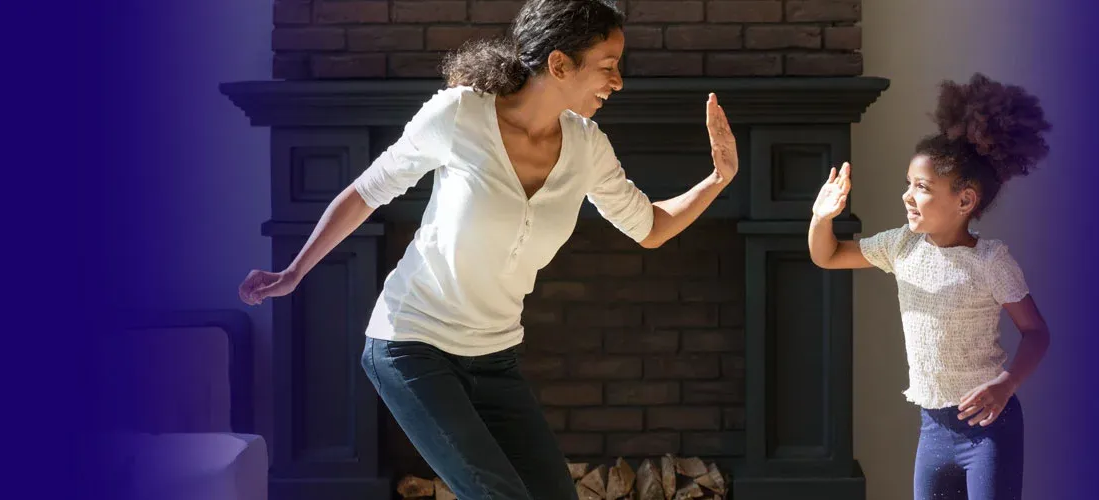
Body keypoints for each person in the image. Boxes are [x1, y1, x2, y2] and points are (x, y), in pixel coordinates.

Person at [237, 1, 738, 498]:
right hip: (412, 346)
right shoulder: (459, 115)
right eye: (608, 67)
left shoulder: (587, 147)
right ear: (559, 64)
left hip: (495, 359)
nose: (618, 81)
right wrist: (294, 272)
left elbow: (648, 226)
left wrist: (719, 178)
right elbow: (368, 191)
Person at [808, 73, 1052, 500]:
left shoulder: (991, 261)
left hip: (990, 431)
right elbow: (827, 255)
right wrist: (820, 217)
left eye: (921, 187)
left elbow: (1036, 333)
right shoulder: (901, 246)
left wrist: (1006, 384)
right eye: (908, 183)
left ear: (964, 201)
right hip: (933, 430)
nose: (907, 195)